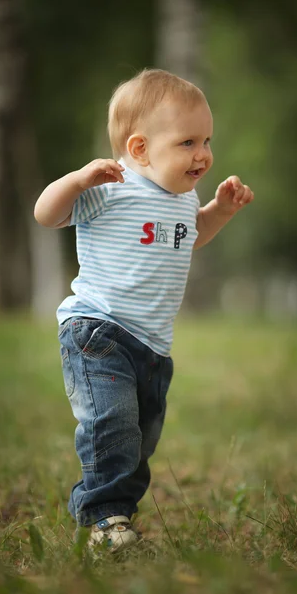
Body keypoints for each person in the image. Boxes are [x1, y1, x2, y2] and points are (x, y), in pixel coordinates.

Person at [34, 68, 254, 553]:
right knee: (111, 425)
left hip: (153, 344)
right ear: (139, 150)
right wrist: (75, 180)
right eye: (187, 142)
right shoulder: (110, 187)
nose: (203, 154)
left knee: (138, 439)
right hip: (99, 330)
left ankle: (114, 512)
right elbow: (46, 215)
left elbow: (189, 238)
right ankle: (107, 520)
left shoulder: (183, 198)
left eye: (207, 140)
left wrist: (220, 210)